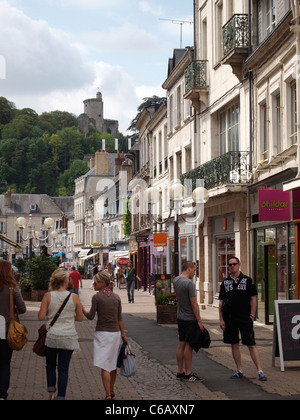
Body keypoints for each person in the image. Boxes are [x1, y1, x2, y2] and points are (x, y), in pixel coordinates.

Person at [219, 257, 267, 382]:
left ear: (239, 264)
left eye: (234, 264)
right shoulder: (225, 283)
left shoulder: (248, 280)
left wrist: (252, 315)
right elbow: (221, 302)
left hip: (245, 317)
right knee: (234, 343)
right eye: (230, 265)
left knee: (251, 344)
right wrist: (221, 319)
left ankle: (260, 370)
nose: (232, 266)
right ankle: (239, 370)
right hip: (230, 318)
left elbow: (253, 298)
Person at [38, 268, 83, 400]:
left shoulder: (48, 296)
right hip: (68, 337)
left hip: (52, 336)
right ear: (65, 281)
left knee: (50, 365)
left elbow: (41, 317)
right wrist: (68, 316)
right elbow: (80, 318)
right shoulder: (74, 297)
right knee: (64, 369)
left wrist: (49, 314)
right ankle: (61, 397)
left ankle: (51, 392)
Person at [82, 271, 127, 400]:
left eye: (95, 282)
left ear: (102, 283)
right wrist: (123, 334)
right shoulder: (116, 297)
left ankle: (107, 394)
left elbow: (90, 316)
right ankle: (112, 390)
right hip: (115, 334)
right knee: (112, 364)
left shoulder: (97, 297)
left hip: (102, 333)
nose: (94, 284)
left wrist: (82, 309)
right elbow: (120, 318)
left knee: (104, 365)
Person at [173, 261, 204, 383]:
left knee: (181, 343)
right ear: (189, 269)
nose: (195, 273)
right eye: (194, 270)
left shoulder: (176, 280)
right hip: (190, 318)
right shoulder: (189, 284)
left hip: (180, 316)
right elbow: (194, 303)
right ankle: (188, 373)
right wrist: (199, 321)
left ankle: (180, 371)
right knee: (189, 345)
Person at [0, 260, 27, 400]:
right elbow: (22, 308)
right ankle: (2, 394)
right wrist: (12, 309)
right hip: (6, 328)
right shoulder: (12, 288)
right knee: (5, 363)